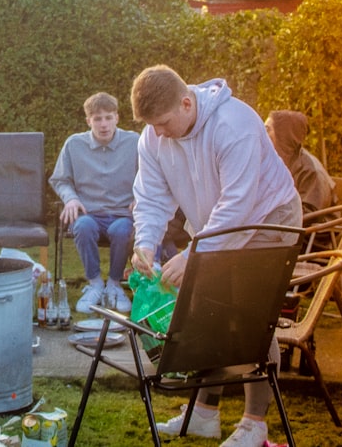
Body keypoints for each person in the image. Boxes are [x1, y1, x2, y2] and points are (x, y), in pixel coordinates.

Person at [129, 65, 301, 447]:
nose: (157, 132)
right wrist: (146, 242)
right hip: (216, 224)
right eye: (151, 125)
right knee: (207, 308)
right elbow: (152, 197)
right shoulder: (152, 137)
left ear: (187, 103)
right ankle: (204, 414)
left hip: (269, 217)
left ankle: (255, 425)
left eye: (162, 122)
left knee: (250, 314)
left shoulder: (233, 124)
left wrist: (195, 253)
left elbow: (238, 203)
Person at [49, 92, 139, 313]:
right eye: (97, 119)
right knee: (82, 225)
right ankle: (95, 284)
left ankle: (115, 285)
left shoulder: (135, 142)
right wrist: (70, 198)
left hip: (122, 214)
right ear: (88, 121)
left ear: (117, 117)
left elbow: (151, 176)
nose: (104, 124)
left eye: (108, 117)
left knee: (121, 230)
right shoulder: (74, 144)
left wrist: (140, 198)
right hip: (89, 213)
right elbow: (60, 179)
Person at [265, 110, 337, 217]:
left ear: (283, 134)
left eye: (267, 129)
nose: (262, 134)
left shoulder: (310, 169)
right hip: (286, 226)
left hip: (316, 230)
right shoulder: (281, 162)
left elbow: (310, 213)